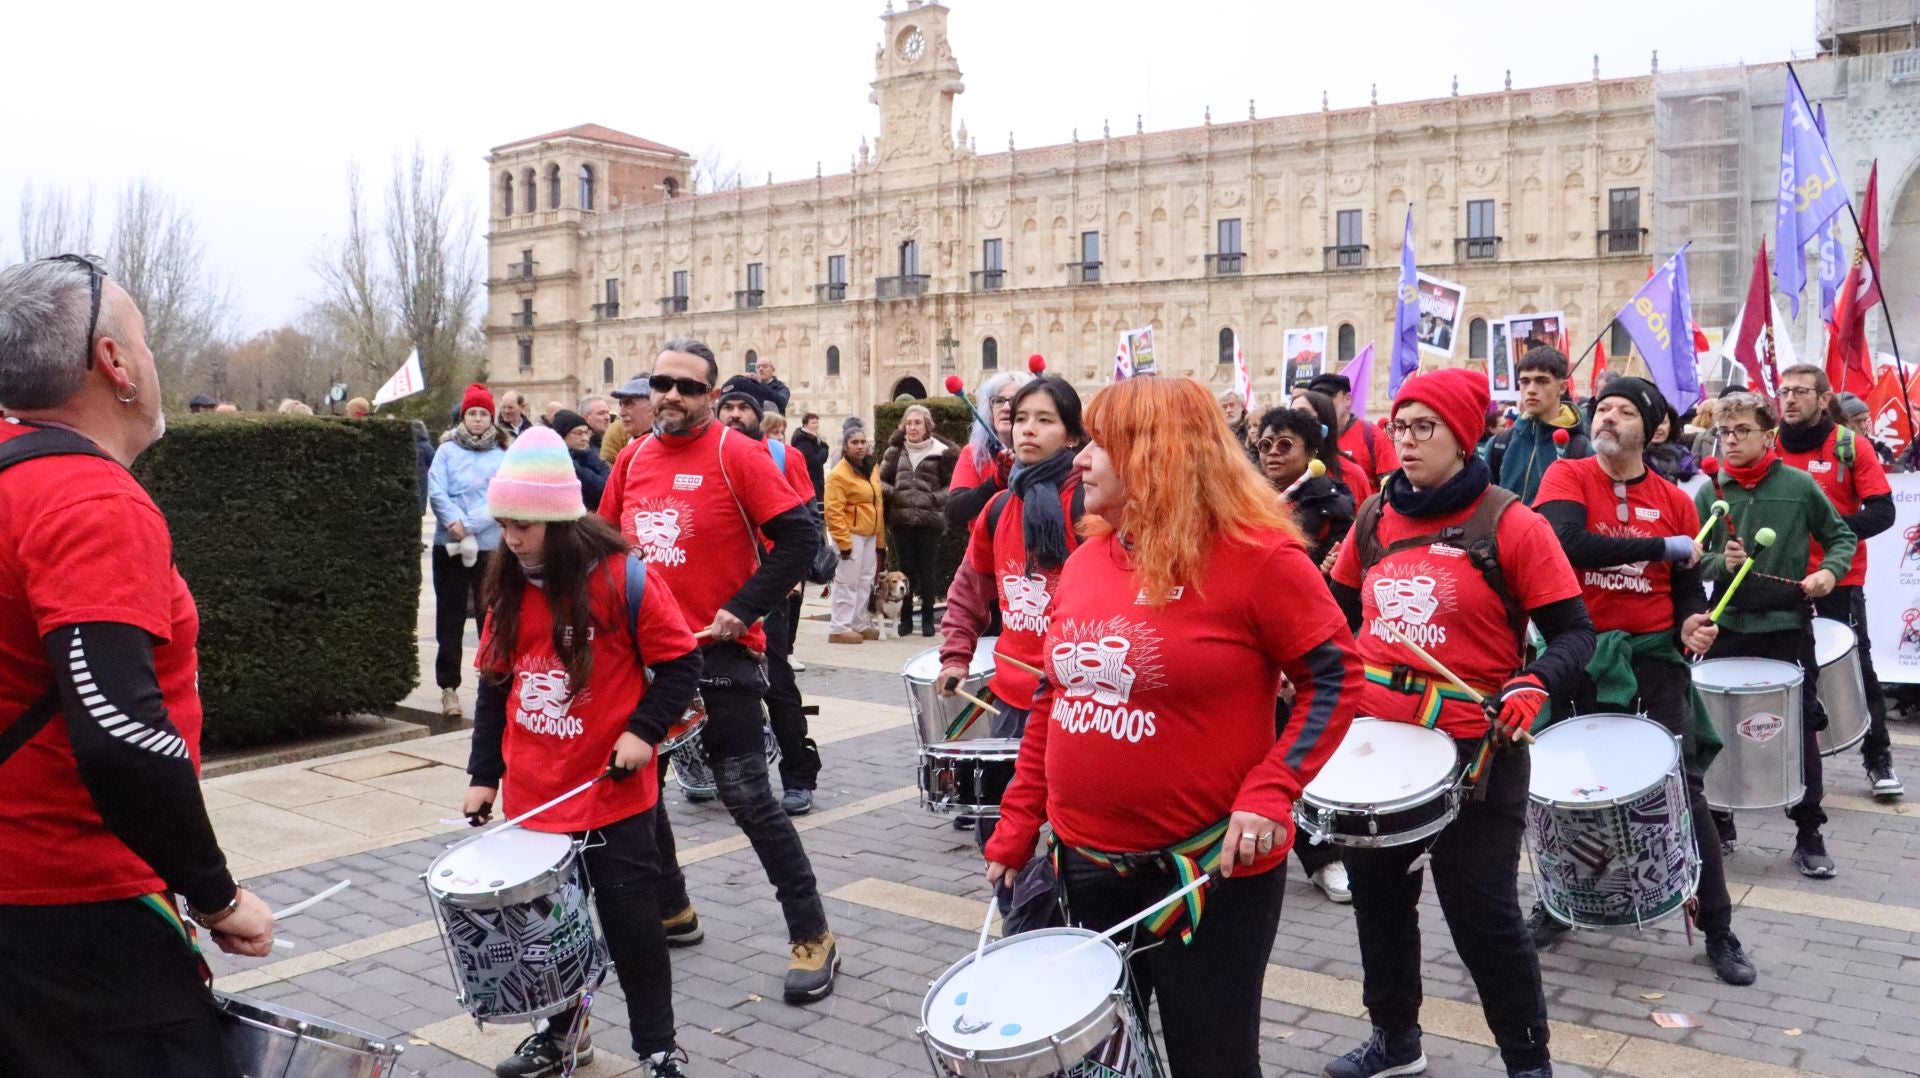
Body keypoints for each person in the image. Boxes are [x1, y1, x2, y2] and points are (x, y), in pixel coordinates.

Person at [984, 375, 1362, 1078]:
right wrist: (1016, 825)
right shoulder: (1088, 557)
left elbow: (1336, 676)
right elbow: (1052, 699)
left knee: (1210, 1063)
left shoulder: (1261, 559)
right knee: (1096, 1062)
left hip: (1206, 879)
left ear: (1157, 457)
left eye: (1103, 444)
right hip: (1085, 872)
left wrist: (1272, 789)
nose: (1083, 460)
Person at [0, 255, 275, 1078]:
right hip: (80, 919)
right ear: (114, 364)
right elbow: (118, 731)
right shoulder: (88, 500)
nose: (155, 363)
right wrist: (216, 893)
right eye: (147, 343)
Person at [1325, 366, 1595, 1078]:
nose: (1406, 442)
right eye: (1399, 426)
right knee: (1379, 904)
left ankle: (1526, 1061)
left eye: (1424, 428)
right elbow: (1334, 612)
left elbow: (1574, 633)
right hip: (1379, 748)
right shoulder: (1375, 516)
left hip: (1479, 747)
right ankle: (1395, 1041)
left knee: (1483, 917)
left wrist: (1534, 682)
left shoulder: (1511, 522)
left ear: (1462, 435)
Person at [598, 337, 839, 1001]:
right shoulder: (634, 458)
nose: (672, 395)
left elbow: (800, 540)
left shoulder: (739, 455)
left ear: (710, 396)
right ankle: (673, 910)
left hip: (721, 656)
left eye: (688, 386)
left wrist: (742, 609)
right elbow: (605, 546)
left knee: (749, 799)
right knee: (638, 789)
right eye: (663, 383)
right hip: (646, 662)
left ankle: (812, 933)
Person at [464, 426, 700, 1078]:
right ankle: (564, 1036)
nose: (511, 539)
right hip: (536, 799)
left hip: (612, 796)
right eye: (504, 524)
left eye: (525, 527)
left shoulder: (623, 579)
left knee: (632, 934)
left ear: (561, 522)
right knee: (550, 940)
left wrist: (643, 732)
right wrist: (484, 775)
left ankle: (656, 1048)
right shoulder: (506, 586)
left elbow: (681, 665)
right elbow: (494, 687)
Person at [1530, 377, 1755, 985]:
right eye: (1603, 408)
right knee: (1569, 787)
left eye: (1625, 411)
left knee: (1683, 789)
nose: (1607, 418)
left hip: (1655, 658)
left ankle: (1719, 927)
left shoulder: (1679, 500)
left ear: (1653, 429)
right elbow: (1566, 544)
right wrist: (1666, 545)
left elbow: (1685, 588)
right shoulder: (1567, 478)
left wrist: (1692, 623)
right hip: (1580, 652)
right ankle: (1555, 905)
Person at [938, 375, 1085, 933]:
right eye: (1022, 418)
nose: (1028, 429)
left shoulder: (1090, 506)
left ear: (1071, 434)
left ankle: (1046, 941)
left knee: (1060, 840)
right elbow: (969, 590)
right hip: (1010, 702)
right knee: (1000, 834)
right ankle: (1024, 934)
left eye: (1045, 420)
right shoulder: (1000, 507)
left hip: (1074, 705)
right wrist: (956, 656)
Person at [1695, 390, 1855, 878]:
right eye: (1724, 432)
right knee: (1715, 729)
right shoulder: (1710, 492)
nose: (1731, 441)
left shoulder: (1800, 485)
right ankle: (1719, 822)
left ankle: (1809, 832)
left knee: (1799, 729)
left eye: (1742, 431)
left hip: (1786, 626)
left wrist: (1829, 571)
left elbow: (1840, 536)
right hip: (1726, 625)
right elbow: (1688, 556)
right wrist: (1718, 562)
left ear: (1769, 435)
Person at [1775, 367, 1901, 798]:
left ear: (1824, 398)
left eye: (1800, 392)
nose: (1789, 399)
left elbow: (1883, 512)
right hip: (1775, 577)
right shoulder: (1765, 444)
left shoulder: (1851, 446)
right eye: (1784, 391)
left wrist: (1830, 528)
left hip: (1837, 578)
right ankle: (1774, 764)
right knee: (1774, 670)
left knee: (1856, 667)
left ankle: (1878, 758)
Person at [1253, 405, 1354, 904]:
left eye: (1285, 444)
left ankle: (1324, 855)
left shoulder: (1331, 504)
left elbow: (1340, 587)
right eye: (1266, 444)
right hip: (1253, 645)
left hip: (1303, 643)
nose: (1272, 453)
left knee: (1299, 756)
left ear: (1311, 453)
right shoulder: (1246, 499)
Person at [713, 386, 823, 815]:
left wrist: (791, 576)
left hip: (768, 589)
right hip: (716, 590)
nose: (736, 415)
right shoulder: (710, 457)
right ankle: (715, 769)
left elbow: (805, 521)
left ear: (760, 417)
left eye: (745, 409)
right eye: (729, 408)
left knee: (775, 682)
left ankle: (798, 774)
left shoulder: (784, 457)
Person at [428, 384, 507, 719]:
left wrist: (471, 523)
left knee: (490, 615)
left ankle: (492, 677)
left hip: (488, 545)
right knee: (450, 616)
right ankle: (449, 687)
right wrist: (453, 522)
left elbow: (501, 494)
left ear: (491, 418)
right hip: (449, 544)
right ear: (463, 416)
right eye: (472, 413)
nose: (477, 420)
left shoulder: (501, 455)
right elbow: (436, 488)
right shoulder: (446, 452)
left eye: (483, 414)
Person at [879, 404, 957, 638]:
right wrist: (894, 493)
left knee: (927, 570)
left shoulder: (941, 451)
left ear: (927, 426)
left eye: (918, 423)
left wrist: (933, 498)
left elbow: (952, 484)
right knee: (906, 569)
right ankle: (904, 619)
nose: (913, 427)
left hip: (929, 520)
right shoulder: (895, 451)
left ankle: (926, 619)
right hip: (901, 519)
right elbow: (880, 480)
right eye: (909, 423)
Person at [1486, 346, 1591, 504]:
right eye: (1525, 381)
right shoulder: (1499, 444)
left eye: (1542, 381)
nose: (1531, 390)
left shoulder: (1581, 449)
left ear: (1562, 387)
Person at [945, 369, 1033, 531]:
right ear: (989, 408)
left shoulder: (1041, 453)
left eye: (1014, 400)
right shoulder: (973, 454)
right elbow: (954, 510)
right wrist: (996, 482)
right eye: (998, 401)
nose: (1006, 407)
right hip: (986, 551)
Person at [824, 427, 884, 644]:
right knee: (847, 581)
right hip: (851, 533)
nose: (860, 446)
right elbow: (833, 510)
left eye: (863, 442)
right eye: (855, 443)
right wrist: (843, 540)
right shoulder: (838, 475)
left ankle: (858, 621)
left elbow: (878, 503)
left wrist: (880, 538)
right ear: (846, 446)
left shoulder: (871, 468)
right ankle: (840, 626)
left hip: (869, 532)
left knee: (865, 580)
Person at [1309, 372, 1399, 491]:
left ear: (1347, 399)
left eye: (1329, 397)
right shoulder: (1309, 437)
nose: (1323, 403)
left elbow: (1392, 485)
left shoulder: (1371, 435)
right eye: (1318, 398)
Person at [1292, 388, 1372, 498]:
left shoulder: (1351, 474)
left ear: (1324, 421)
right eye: (1291, 414)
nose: (1293, 421)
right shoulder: (1281, 470)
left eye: (1303, 414)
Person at [551, 409, 610, 513]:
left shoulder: (592, 456)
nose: (585, 438)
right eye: (578, 433)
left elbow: (608, 488)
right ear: (562, 436)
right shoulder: (557, 464)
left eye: (586, 433)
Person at [1837, 391, 1901, 470]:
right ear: (1841, 422)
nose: (1863, 426)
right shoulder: (1829, 445)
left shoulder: (1880, 447)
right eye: (1857, 421)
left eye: (1865, 420)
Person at [602, 377, 653, 465]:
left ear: (652, 406)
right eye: (621, 404)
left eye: (628, 404)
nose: (621, 413)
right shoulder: (626, 450)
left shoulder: (669, 446)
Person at [791, 412, 830, 505]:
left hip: (817, 479)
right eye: (813, 423)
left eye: (817, 422)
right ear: (805, 424)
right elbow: (813, 461)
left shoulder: (816, 438)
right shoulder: (803, 440)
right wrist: (824, 449)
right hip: (810, 480)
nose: (816, 425)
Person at [1218, 388, 1254, 453]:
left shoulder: (1251, 428)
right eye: (1224, 406)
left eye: (1232, 405)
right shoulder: (1216, 431)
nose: (1228, 410)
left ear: (1242, 407)